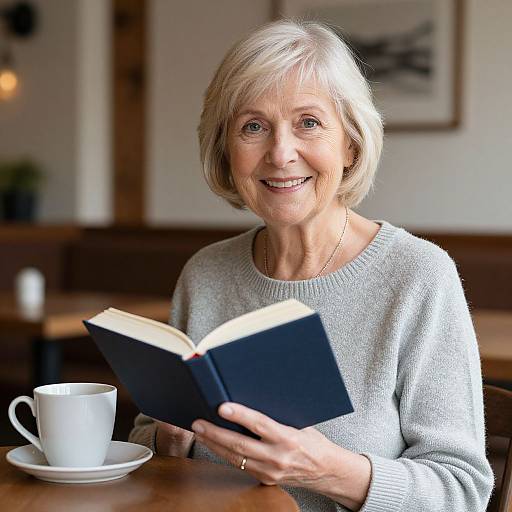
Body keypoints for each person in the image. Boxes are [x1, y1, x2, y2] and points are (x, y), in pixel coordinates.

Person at [129, 20, 493, 511]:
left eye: (309, 123)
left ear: (350, 143)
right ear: (226, 149)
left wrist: (326, 471)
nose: (280, 153)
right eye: (253, 126)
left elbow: (462, 491)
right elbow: (152, 445)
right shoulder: (205, 273)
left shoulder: (418, 277)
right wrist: (169, 440)